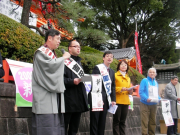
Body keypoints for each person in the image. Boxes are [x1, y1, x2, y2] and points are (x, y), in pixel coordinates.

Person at [32, 29, 70, 135]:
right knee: (46, 128)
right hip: (45, 99)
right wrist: (63, 59)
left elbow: (54, 66)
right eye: (58, 39)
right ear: (49, 38)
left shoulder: (51, 54)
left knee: (56, 128)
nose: (59, 41)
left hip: (54, 98)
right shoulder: (41, 52)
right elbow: (50, 67)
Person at [64, 40, 89, 135]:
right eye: (76, 46)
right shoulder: (64, 61)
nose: (78, 48)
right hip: (68, 100)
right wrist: (72, 81)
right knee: (64, 126)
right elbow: (59, 79)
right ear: (69, 48)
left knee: (74, 128)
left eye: (79, 47)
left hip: (79, 100)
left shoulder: (79, 62)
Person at [88, 51, 116, 135]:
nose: (109, 58)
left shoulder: (112, 72)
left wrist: (113, 99)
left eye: (111, 56)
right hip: (97, 99)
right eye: (107, 56)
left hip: (106, 100)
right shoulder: (98, 68)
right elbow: (95, 83)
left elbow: (112, 86)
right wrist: (98, 98)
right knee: (95, 121)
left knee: (102, 122)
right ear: (103, 58)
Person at [113, 60, 133, 135]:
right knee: (116, 121)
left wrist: (130, 91)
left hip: (126, 101)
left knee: (123, 121)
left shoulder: (128, 77)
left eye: (125, 65)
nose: (124, 66)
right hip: (117, 101)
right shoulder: (115, 75)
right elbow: (112, 87)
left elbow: (129, 89)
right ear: (118, 66)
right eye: (122, 64)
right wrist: (121, 89)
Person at [139, 68, 161, 135]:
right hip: (145, 103)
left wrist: (160, 98)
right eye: (150, 72)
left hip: (154, 104)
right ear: (148, 73)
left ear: (156, 74)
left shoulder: (155, 82)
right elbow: (141, 92)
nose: (152, 73)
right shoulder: (144, 80)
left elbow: (156, 94)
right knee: (145, 121)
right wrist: (146, 98)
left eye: (153, 72)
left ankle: (152, 133)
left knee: (153, 121)